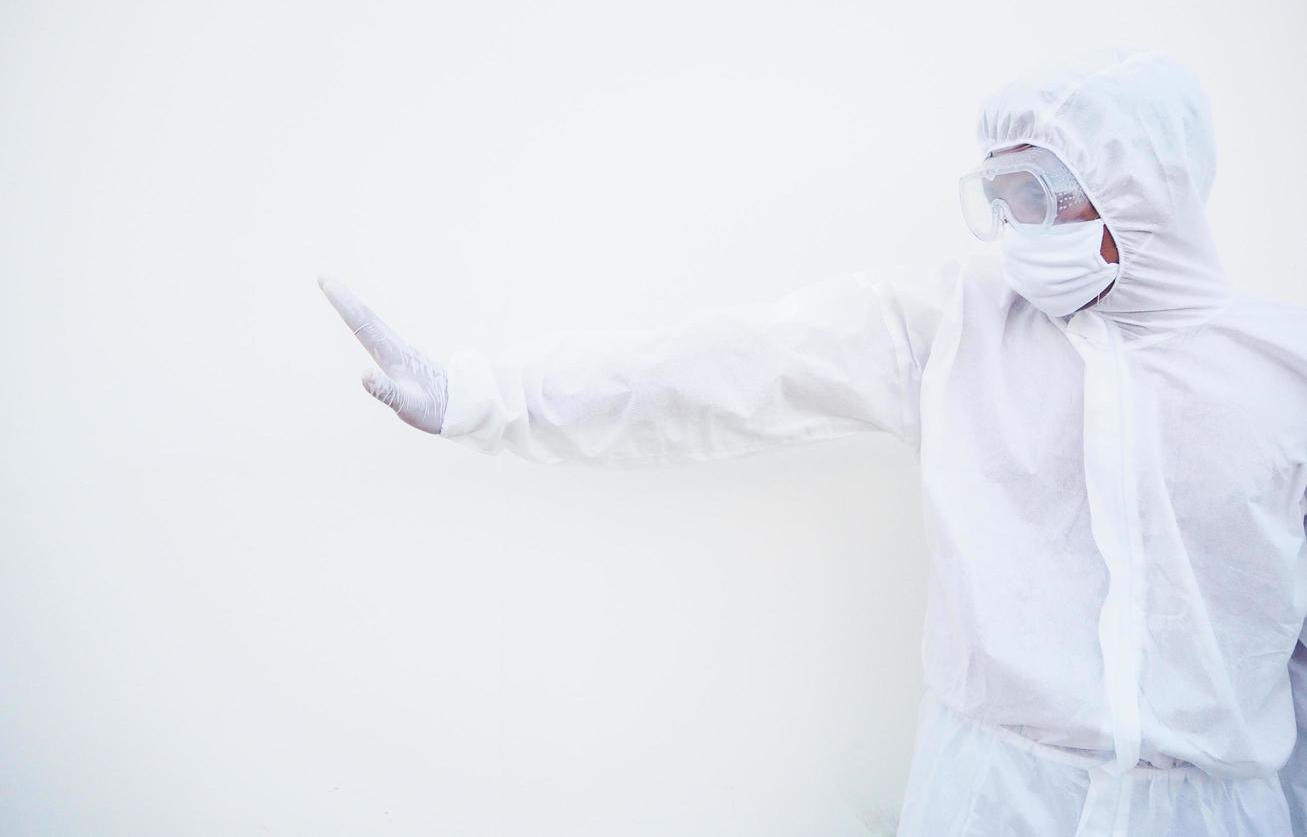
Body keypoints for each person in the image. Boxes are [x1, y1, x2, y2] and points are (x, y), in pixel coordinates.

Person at [319, 47, 1307, 835]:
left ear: (1146, 188)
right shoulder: (956, 325)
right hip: (993, 799)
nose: (1015, 231)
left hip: (1220, 810)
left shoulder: (1281, 373)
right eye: (1000, 199)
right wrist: (484, 394)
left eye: (1043, 198)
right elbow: (723, 367)